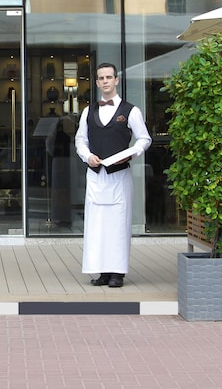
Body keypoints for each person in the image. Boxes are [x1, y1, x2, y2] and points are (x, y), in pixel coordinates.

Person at [74, 62, 152, 288]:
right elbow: (80, 140)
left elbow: (144, 139)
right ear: (97, 83)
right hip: (95, 175)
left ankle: (117, 272)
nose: (105, 81)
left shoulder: (131, 111)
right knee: (97, 225)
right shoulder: (88, 111)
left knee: (118, 224)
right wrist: (87, 156)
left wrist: (131, 154)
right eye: (101, 78)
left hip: (119, 176)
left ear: (116, 80)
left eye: (109, 77)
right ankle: (102, 271)